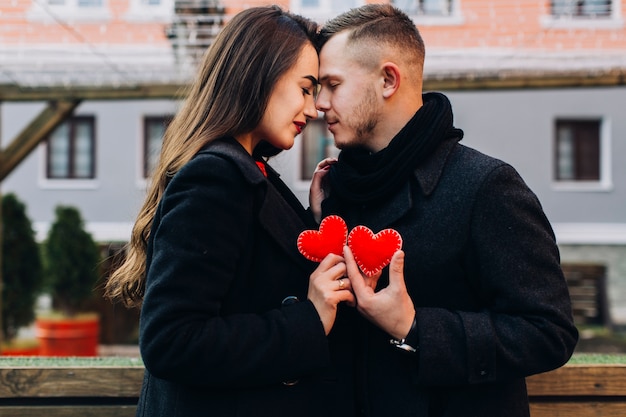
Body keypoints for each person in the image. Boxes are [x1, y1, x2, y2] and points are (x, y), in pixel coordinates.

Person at [311, 4, 579, 417]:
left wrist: (415, 328)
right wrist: (319, 224)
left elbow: (549, 333)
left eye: (332, 84)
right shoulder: (340, 191)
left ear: (387, 80)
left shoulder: (485, 186)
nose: (319, 105)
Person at [104, 6, 355, 417]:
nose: (313, 109)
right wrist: (308, 319)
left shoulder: (246, 171)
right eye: (305, 88)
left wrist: (310, 220)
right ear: (260, 74)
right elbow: (171, 340)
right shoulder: (216, 177)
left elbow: (249, 281)